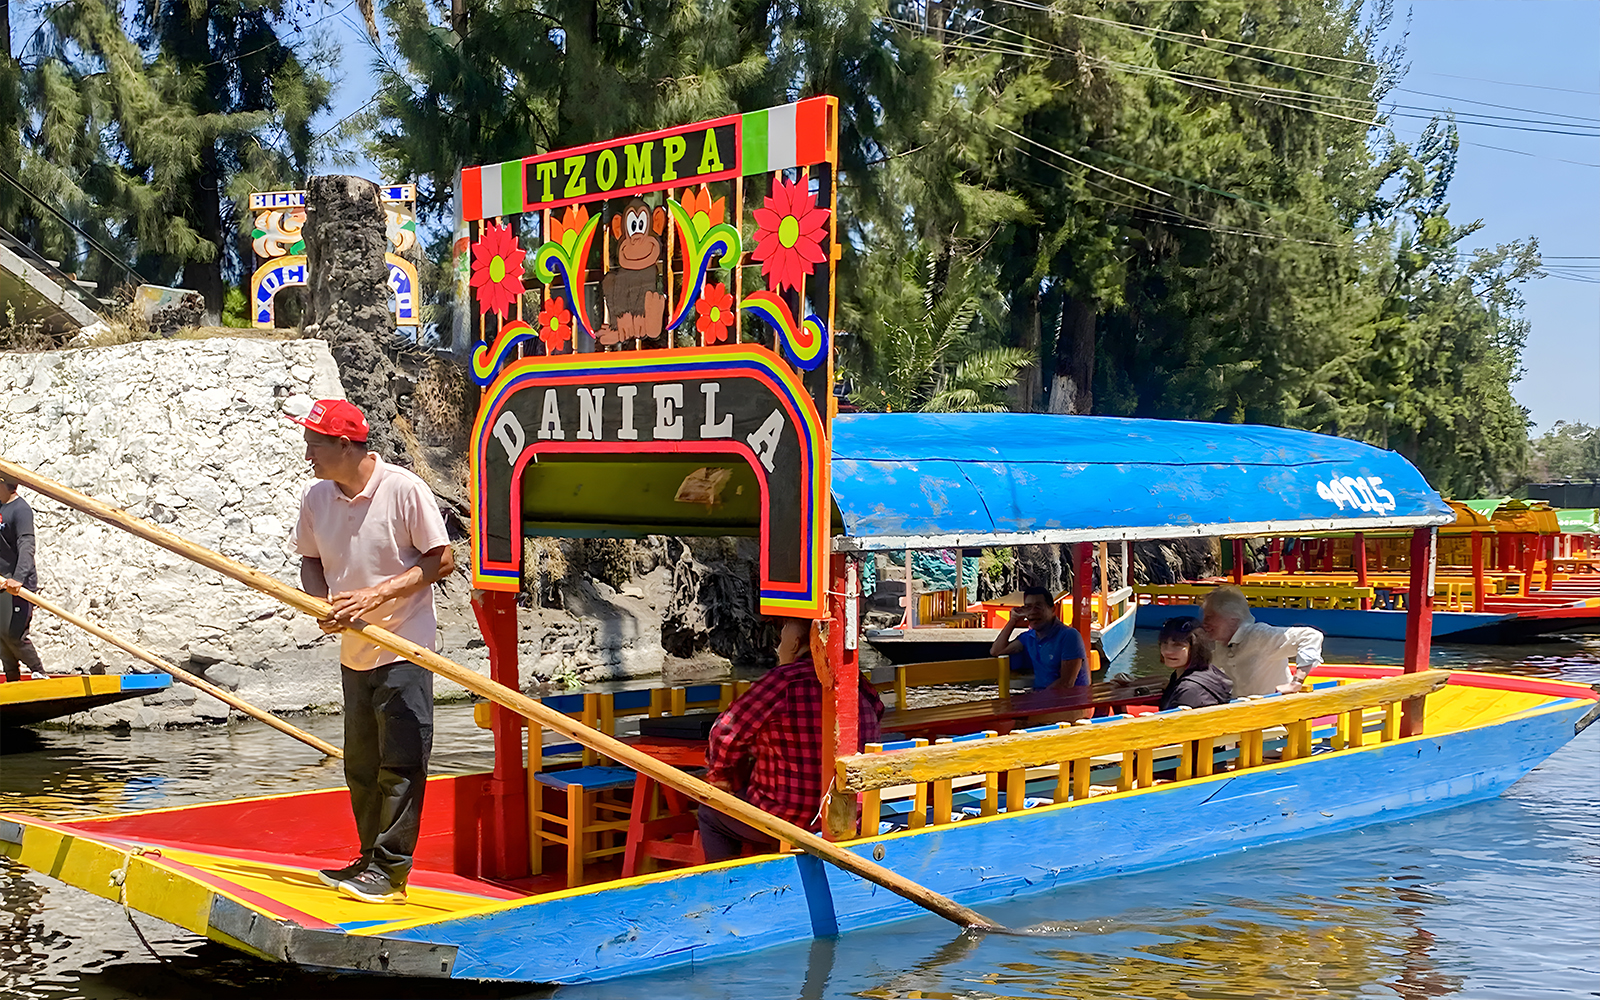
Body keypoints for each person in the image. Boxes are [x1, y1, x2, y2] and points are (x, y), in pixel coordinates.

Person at [288, 399, 454, 904]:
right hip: (354, 650)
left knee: (401, 763)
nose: (308, 453)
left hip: (404, 644)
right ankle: (367, 859)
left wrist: (376, 595)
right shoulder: (316, 498)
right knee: (360, 764)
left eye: (314, 444)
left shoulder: (404, 489)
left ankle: (391, 870)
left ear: (344, 444)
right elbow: (310, 560)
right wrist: (319, 602)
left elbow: (441, 559)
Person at [699, 618, 884, 861]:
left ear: (796, 643)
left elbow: (725, 732)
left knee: (710, 812)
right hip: (854, 815)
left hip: (790, 820)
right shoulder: (857, 682)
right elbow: (878, 710)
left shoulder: (784, 681)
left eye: (782, 637)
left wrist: (720, 777)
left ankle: (726, 888)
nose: (778, 647)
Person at [1199, 586, 1323, 697]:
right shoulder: (1215, 644)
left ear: (1233, 619)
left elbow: (1311, 636)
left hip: (1274, 711)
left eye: (1210, 617)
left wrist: (1296, 682)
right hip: (1240, 712)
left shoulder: (1258, 636)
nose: (1204, 623)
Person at [989, 586, 1087, 690]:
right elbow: (996, 651)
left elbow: (1066, 683)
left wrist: (1036, 700)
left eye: (1038, 606)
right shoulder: (1029, 637)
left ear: (1053, 609)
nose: (1033, 611)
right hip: (1042, 698)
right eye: (1028, 607)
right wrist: (1013, 620)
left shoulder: (1069, 636)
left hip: (1069, 702)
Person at [0, 475, 46, 683]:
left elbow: (26, 544)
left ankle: (38, 671)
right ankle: (12, 679)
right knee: (0, 635)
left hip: (17, 583)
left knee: (13, 633)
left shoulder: (20, 510)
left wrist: (18, 578)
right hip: (1, 580)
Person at [1152, 617, 1232, 710]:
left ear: (1196, 649)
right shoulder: (1210, 671)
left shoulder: (1190, 689)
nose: (1167, 651)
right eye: (1164, 643)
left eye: (1178, 645)